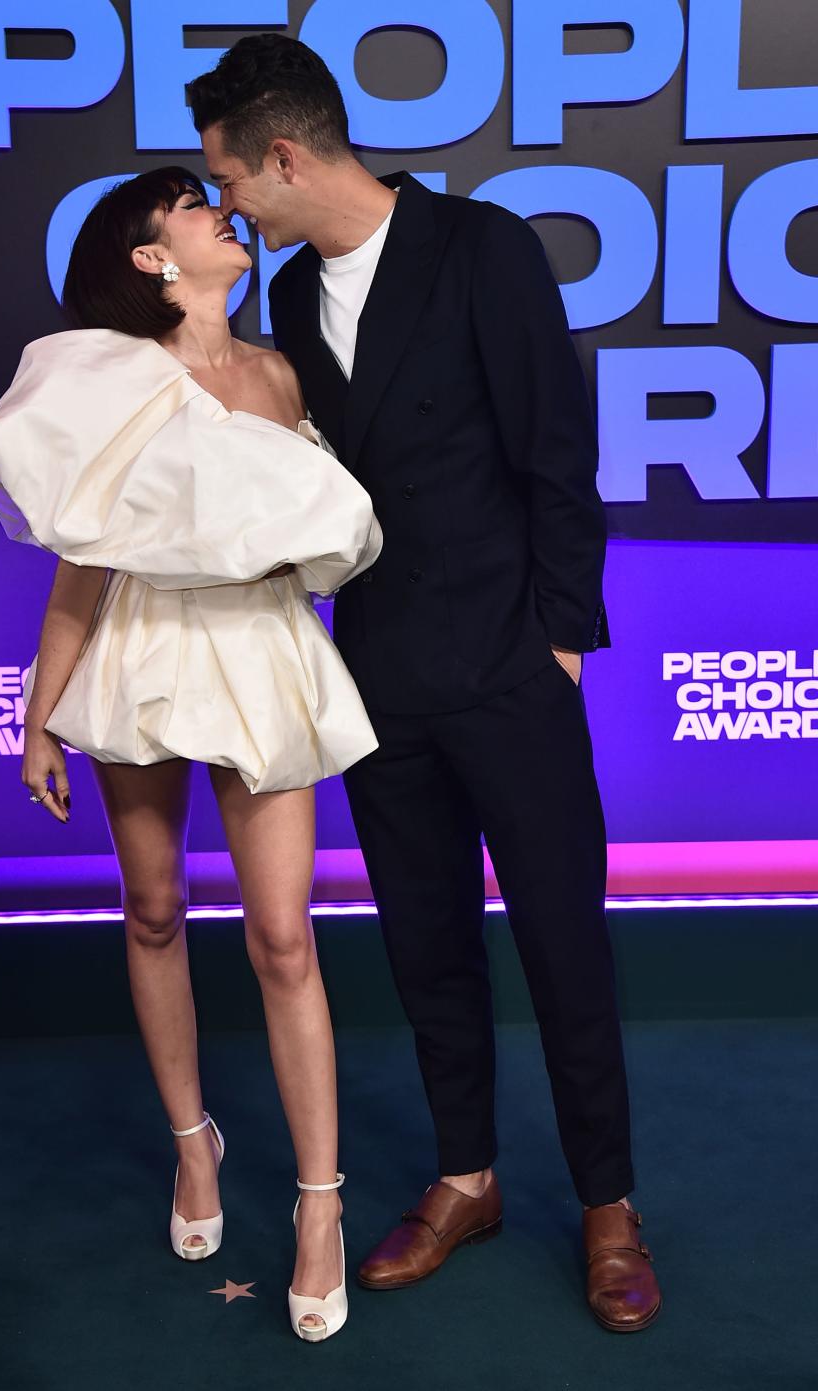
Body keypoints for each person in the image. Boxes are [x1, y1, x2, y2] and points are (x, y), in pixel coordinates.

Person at [188, 37, 662, 1332]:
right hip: (378, 676)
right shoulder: (288, 301)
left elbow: (558, 453)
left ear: (285, 155)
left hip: (511, 667)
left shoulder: (481, 247)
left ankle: (610, 1203)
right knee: (426, 939)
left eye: (234, 179)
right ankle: (468, 1176)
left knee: (565, 936)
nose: (231, 207)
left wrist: (559, 640)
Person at [0, 167, 383, 1343]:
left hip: (259, 647)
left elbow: (314, 535)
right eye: (196, 207)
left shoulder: (276, 372)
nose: (224, 214)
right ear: (153, 256)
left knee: (284, 935)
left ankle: (319, 1203)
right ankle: (190, 1141)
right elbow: (81, 561)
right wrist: (40, 712)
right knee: (151, 906)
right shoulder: (105, 376)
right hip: (143, 644)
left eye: (222, 198)